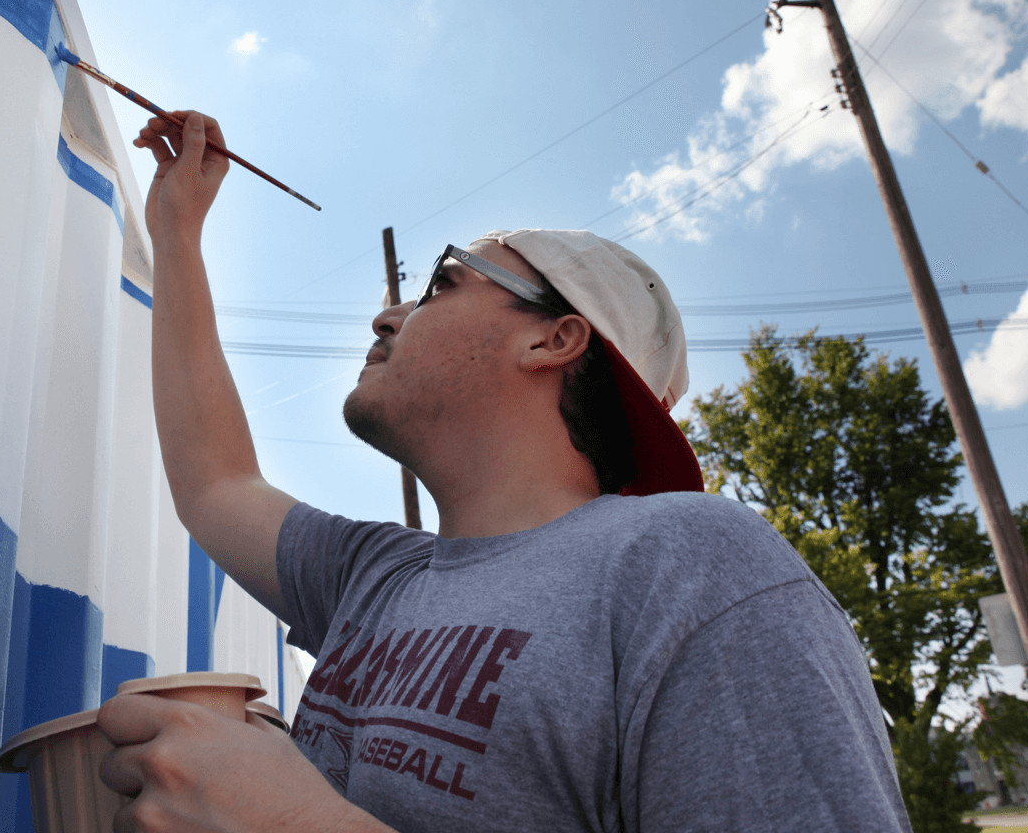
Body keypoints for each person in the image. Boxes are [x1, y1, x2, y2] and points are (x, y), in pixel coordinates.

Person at [95, 110, 913, 833]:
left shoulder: (690, 567)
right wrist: (176, 231)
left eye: (443, 284)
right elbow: (215, 482)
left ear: (554, 339)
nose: (388, 314)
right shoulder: (371, 577)